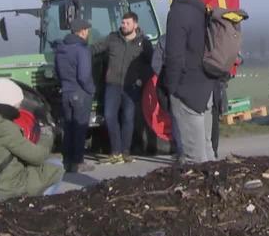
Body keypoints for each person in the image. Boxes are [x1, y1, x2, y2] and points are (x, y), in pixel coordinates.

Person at [0, 79, 63, 204]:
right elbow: (38, 157)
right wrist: (46, 132)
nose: (19, 107)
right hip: (3, 191)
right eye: (17, 104)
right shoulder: (4, 128)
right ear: (9, 104)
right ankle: (33, 206)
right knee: (56, 166)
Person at [164, 0, 216, 163]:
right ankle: (216, 190)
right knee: (207, 149)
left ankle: (202, 192)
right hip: (206, 86)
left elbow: (174, 56)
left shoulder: (178, 13)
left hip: (187, 90)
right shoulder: (201, 8)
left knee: (194, 158)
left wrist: (172, 88)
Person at [91, 11, 153, 164]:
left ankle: (125, 151)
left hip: (131, 87)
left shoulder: (143, 43)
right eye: (123, 23)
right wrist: (77, 50)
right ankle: (115, 151)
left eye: (127, 23)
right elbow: (95, 48)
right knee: (110, 116)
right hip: (113, 85)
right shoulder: (113, 38)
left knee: (128, 118)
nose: (123, 25)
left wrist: (141, 80)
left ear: (135, 25)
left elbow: (151, 64)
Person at [54, 19, 96, 173]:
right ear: (83, 31)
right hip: (80, 93)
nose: (88, 33)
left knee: (68, 127)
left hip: (66, 92)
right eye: (87, 30)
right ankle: (78, 162)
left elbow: (57, 72)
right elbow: (84, 76)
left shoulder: (61, 48)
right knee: (80, 127)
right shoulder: (82, 49)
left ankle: (67, 161)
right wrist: (91, 90)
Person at [151, 36, 183, 161]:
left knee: (174, 116)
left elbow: (155, 63)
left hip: (168, 81)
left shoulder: (164, 40)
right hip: (187, 82)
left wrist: (164, 76)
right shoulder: (192, 36)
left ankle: (181, 151)